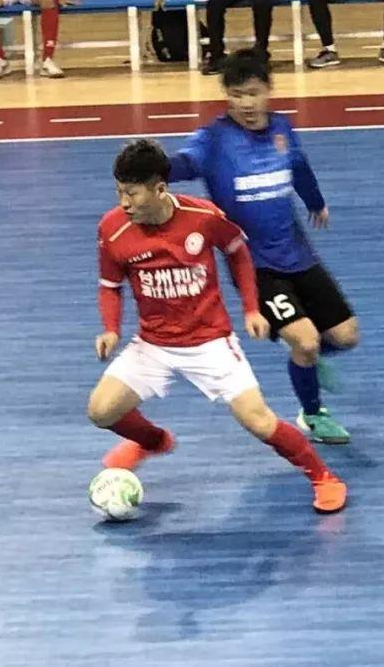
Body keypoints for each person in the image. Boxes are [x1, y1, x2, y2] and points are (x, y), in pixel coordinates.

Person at [89, 138, 348, 514]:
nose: (123, 202)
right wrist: (111, 328)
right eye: (119, 192)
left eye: (131, 193)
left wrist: (251, 309)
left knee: (259, 422)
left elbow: (238, 253)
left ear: (159, 189)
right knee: (101, 411)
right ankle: (153, 441)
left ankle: (323, 477)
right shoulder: (112, 229)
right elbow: (109, 285)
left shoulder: (203, 216)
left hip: (210, 342)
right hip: (153, 344)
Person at [169, 50, 357, 444]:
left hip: (298, 254)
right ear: (226, 96)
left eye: (253, 93)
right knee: (305, 341)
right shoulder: (213, 140)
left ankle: (307, 363)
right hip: (256, 267)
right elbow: (183, 164)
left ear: (268, 90)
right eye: (236, 95)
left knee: (345, 337)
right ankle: (312, 414)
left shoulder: (282, 129)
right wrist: (150, 166)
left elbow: (298, 167)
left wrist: (315, 202)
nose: (246, 104)